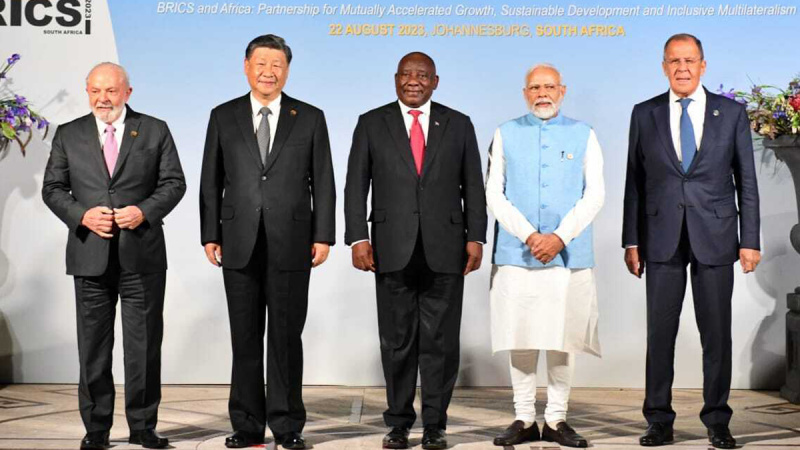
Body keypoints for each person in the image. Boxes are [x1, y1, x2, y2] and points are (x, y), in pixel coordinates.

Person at [622, 33, 761, 449]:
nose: (682, 68)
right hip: (660, 237)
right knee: (659, 334)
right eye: (674, 61)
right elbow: (634, 182)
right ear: (664, 66)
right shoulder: (644, 113)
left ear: (703, 65)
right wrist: (631, 240)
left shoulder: (731, 113)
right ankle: (658, 420)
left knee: (716, 334)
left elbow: (747, 182)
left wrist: (750, 240)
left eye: (689, 60)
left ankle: (717, 421)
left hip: (716, 235)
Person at [344, 51, 487, 450]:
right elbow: (355, 185)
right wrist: (358, 238)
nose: (413, 81)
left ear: (435, 82)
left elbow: (474, 186)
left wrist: (476, 237)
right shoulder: (372, 123)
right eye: (406, 74)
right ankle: (398, 424)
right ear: (395, 79)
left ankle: (435, 426)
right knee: (397, 342)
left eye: (422, 75)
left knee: (441, 343)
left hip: (447, 249)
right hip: (390, 249)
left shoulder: (458, 124)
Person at [199, 34, 335, 450]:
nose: (268, 72)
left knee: (285, 338)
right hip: (237, 240)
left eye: (277, 65)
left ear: (287, 70)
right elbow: (210, 181)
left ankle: (287, 424)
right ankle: (246, 425)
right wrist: (210, 234)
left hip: (293, 241)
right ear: (246, 67)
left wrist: (323, 235)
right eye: (261, 64)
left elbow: (323, 181)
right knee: (244, 338)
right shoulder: (223, 116)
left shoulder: (309, 117)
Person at [42, 62, 186, 450]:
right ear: (87, 92)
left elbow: (174, 183)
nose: (102, 98)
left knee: (143, 347)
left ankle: (143, 427)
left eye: (111, 90)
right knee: (93, 349)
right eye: (95, 91)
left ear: (128, 92)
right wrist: (81, 215)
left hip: (142, 256)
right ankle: (96, 430)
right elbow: (52, 188)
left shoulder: (154, 130)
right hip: (90, 256)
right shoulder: (69, 133)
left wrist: (144, 211)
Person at [486, 63, 605, 448]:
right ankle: (523, 418)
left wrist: (559, 237)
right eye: (535, 87)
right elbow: (494, 194)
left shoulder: (584, 134)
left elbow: (595, 194)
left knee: (562, 338)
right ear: (525, 93)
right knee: (519, 335)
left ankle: (556, 419)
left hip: (568, 255)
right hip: (517, 252)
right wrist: (530, 235)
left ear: (562, 91)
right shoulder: (505, 132)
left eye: (549, 87)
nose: (542, 94)